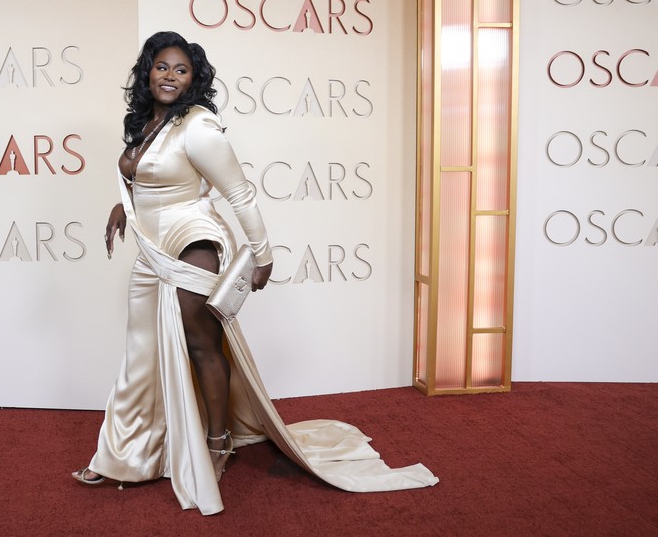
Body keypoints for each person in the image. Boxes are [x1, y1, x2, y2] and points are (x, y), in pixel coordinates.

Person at [73, 31, 438, 516]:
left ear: (193, 78)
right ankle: (123, 455)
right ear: (148, 70)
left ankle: (218, 443)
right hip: (152, 246)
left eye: (181, 70)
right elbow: (144, 178)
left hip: (193, 240)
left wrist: (262, 256)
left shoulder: (198, 127)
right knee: (141, 353)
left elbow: (239, 193)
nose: (170, 76)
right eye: (162, 66)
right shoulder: (143, 121)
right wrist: (123, 209)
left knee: (200, 342)